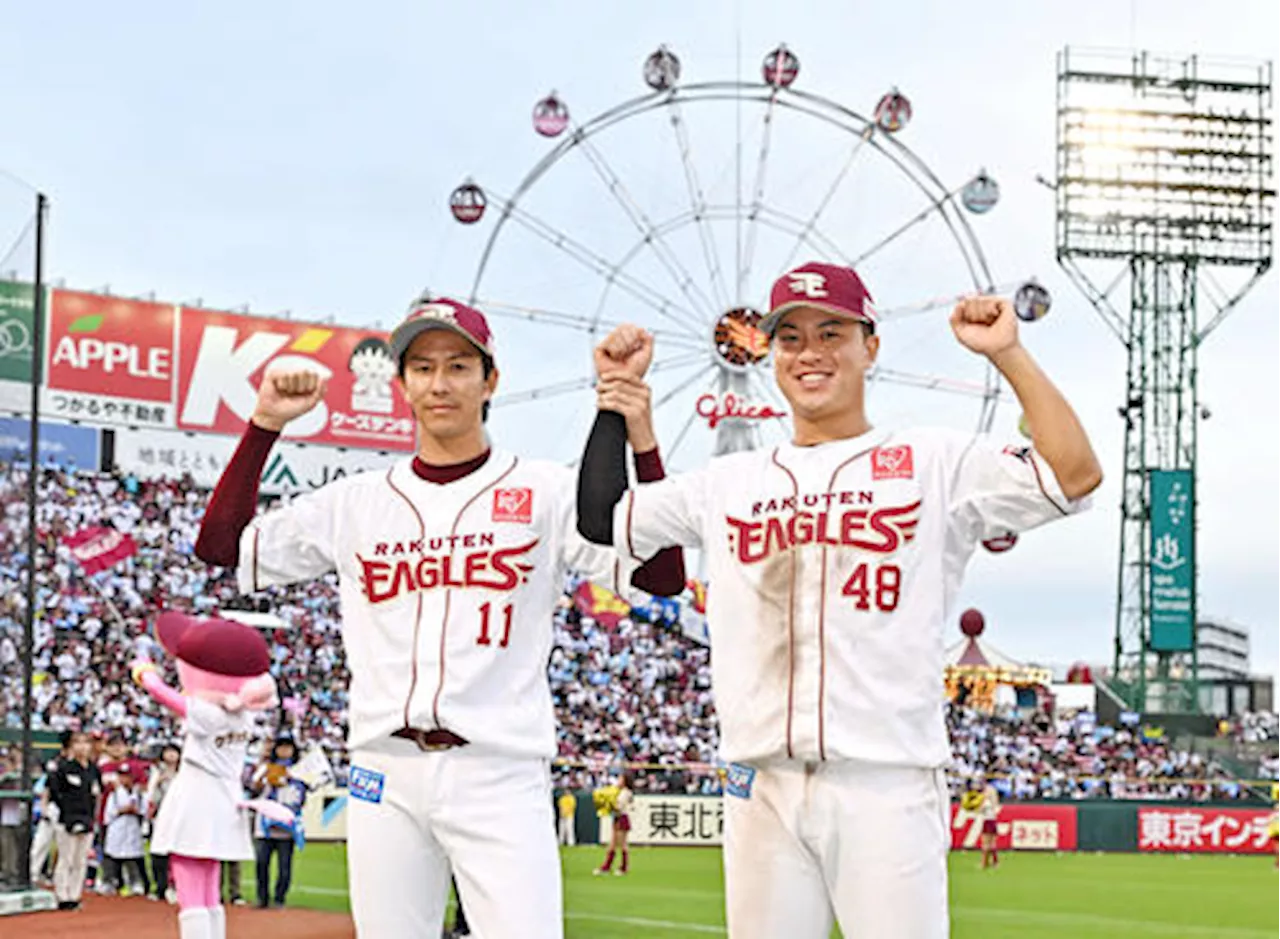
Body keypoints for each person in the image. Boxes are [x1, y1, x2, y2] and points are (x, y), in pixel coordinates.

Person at [577, 261, 1103, 939]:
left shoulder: (929, 460)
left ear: (871, 346)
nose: (810, 351)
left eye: (832, 331)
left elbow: (1074, 473)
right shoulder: (731, 480)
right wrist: (615, 399)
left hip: (884, 782)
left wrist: (1008, 353)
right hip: (760, 784)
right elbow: (603, 516)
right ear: (769, 353)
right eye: (790, 337)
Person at [193, 294, 685, 938]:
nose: (439, 383)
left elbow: (662, 575)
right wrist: (263, 424)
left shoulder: (545, 490)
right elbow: (220, 548)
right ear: (400, 385)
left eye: (458, 365)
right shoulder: (357, 502)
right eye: (422, 368)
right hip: (383, 772)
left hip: (499, 769)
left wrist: (636, 431)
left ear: (491, 380)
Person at [249, 736, 306, 908]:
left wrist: (292, 778)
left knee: (284, 867)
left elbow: (305, 793)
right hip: (265, 825)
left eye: (288, 748)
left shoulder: (299, 770)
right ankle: (262, 898)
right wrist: (265, 777)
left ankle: (280, 898)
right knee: (261, 863)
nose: (284, 751)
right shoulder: (266, 767)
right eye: (281, 748)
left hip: (287, 827)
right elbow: (253, 788)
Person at [47, 731, 101, 911]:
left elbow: (97, 793)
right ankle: (62, 896)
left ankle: (75, 894)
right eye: (77, 743)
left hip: (87, 819)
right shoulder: (64, 768)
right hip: (67, 820)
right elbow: (55, 792)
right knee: (66, 858)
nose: (82, 747)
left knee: (81, 860)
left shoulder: (93, 769)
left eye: (85, 743)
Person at [103, 768, 148, 896]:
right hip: (118, 826)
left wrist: (135, 810)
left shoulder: (139, 794)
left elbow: (145, 812)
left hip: (132, 827)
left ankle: (135, 883)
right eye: (122, 777)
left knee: (132, 858)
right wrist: (122, 810)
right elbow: (108, 814)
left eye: (127, 777)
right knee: (112, 857)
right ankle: (110, 882)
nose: (125, 780)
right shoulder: (115, 794)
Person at [145, 743, 181, 902]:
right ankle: (160, 886)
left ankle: (176, 886)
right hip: (161, 817)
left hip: (179, 817)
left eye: (174, 752)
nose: (171, 755)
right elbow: (150, 795)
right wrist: (158, 781)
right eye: (168, 752)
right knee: (158, 852)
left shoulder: (184, 774)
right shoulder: (156, 772)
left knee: (178, 853)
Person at [594, 773, 633, 876]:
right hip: (618, 817)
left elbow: (619, 806)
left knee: (622, 844)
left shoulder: (625, 792)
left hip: (622, 817)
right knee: (613, 843)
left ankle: (623, 867)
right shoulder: (619, 791)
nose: (618, 781)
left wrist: (609, 804)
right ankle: (607, 866)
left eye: (621, 779)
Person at [978, 778, 1001, 870]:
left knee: (985, 843)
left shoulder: (986, 801)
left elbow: (979, 810)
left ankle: (984, 863)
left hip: (987, 820)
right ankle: (995, 862)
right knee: (992, 843)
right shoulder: (994, 803)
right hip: (993, 820)